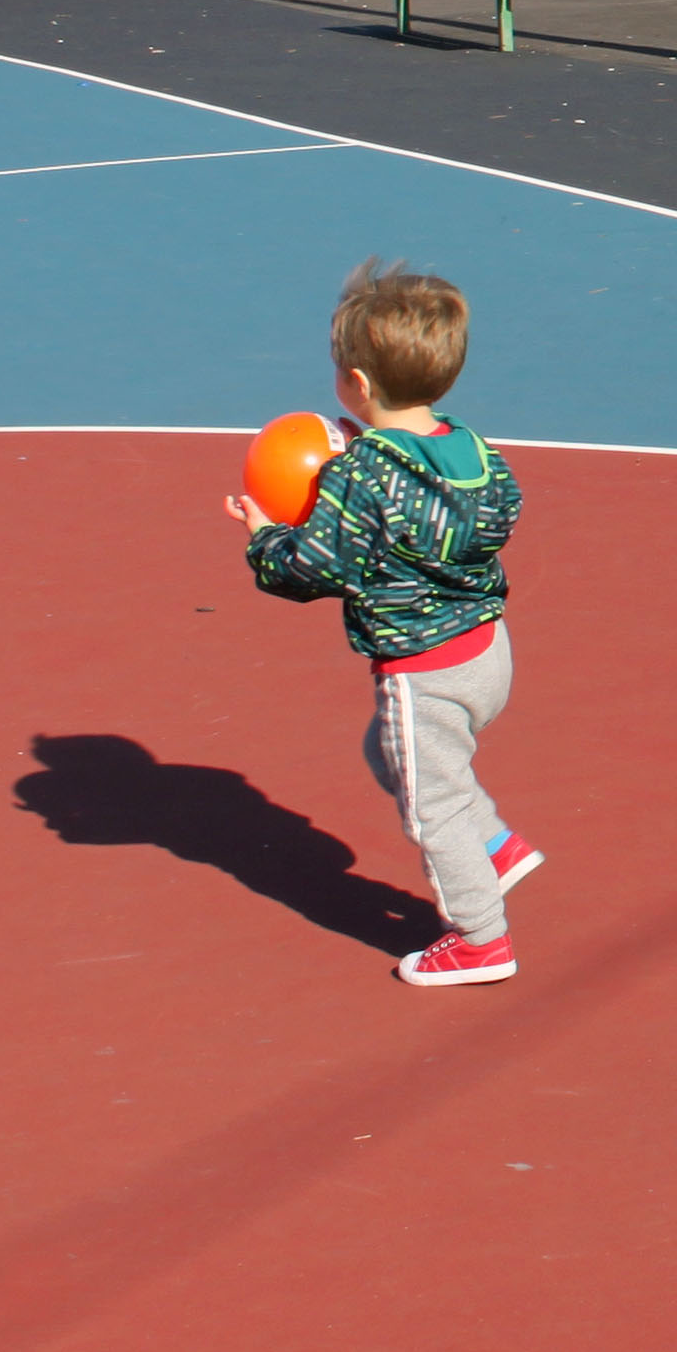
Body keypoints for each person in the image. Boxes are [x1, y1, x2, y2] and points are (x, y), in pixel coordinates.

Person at [224, 260, 536, 987]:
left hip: (422, 672)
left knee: (431, 810)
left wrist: (265, 538)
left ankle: (481, 939)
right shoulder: (472, 449)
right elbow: (500, 511)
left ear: (357, 385)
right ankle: (495, 844)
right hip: (488, 651)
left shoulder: (362, 476)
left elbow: (312, 568)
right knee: (393, 757)